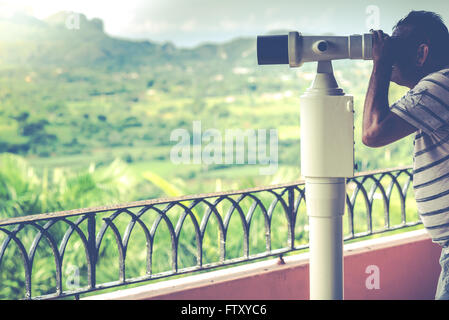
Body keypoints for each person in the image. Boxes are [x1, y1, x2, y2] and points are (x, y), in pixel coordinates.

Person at [362, 10, 449, 299]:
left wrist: (381, 64)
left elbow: (372, 132)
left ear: (421, 53)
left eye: (397, 46)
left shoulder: (440, 84)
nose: (390, 52)